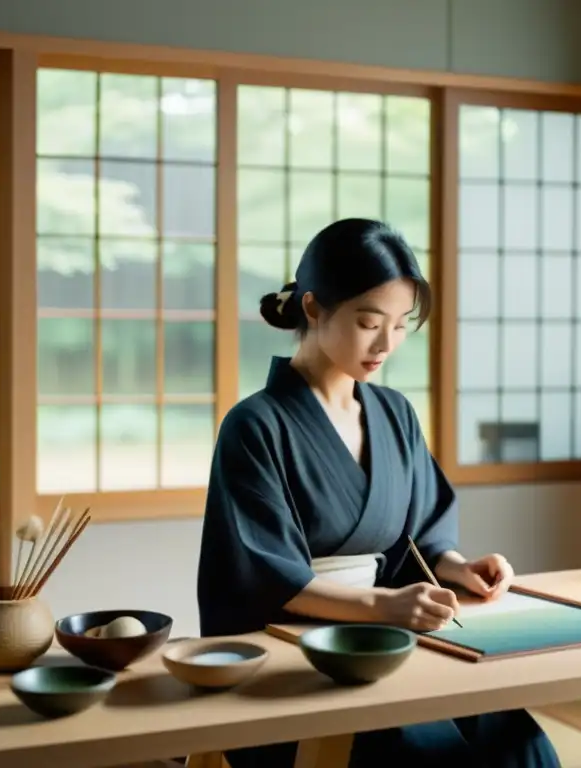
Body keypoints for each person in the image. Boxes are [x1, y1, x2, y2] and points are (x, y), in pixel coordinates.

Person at [196, 218, 562, 767]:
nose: (387, 344)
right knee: (420, 750)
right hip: (297, 652)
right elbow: (263, 576)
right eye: (369, 322)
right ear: (314, 308)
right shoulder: (255, 425)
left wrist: (457, 566)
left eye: (400, 324)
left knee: (519, 742)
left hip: (391, 640)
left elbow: (421, 532)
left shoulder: (395, 414)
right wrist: (384, 605)